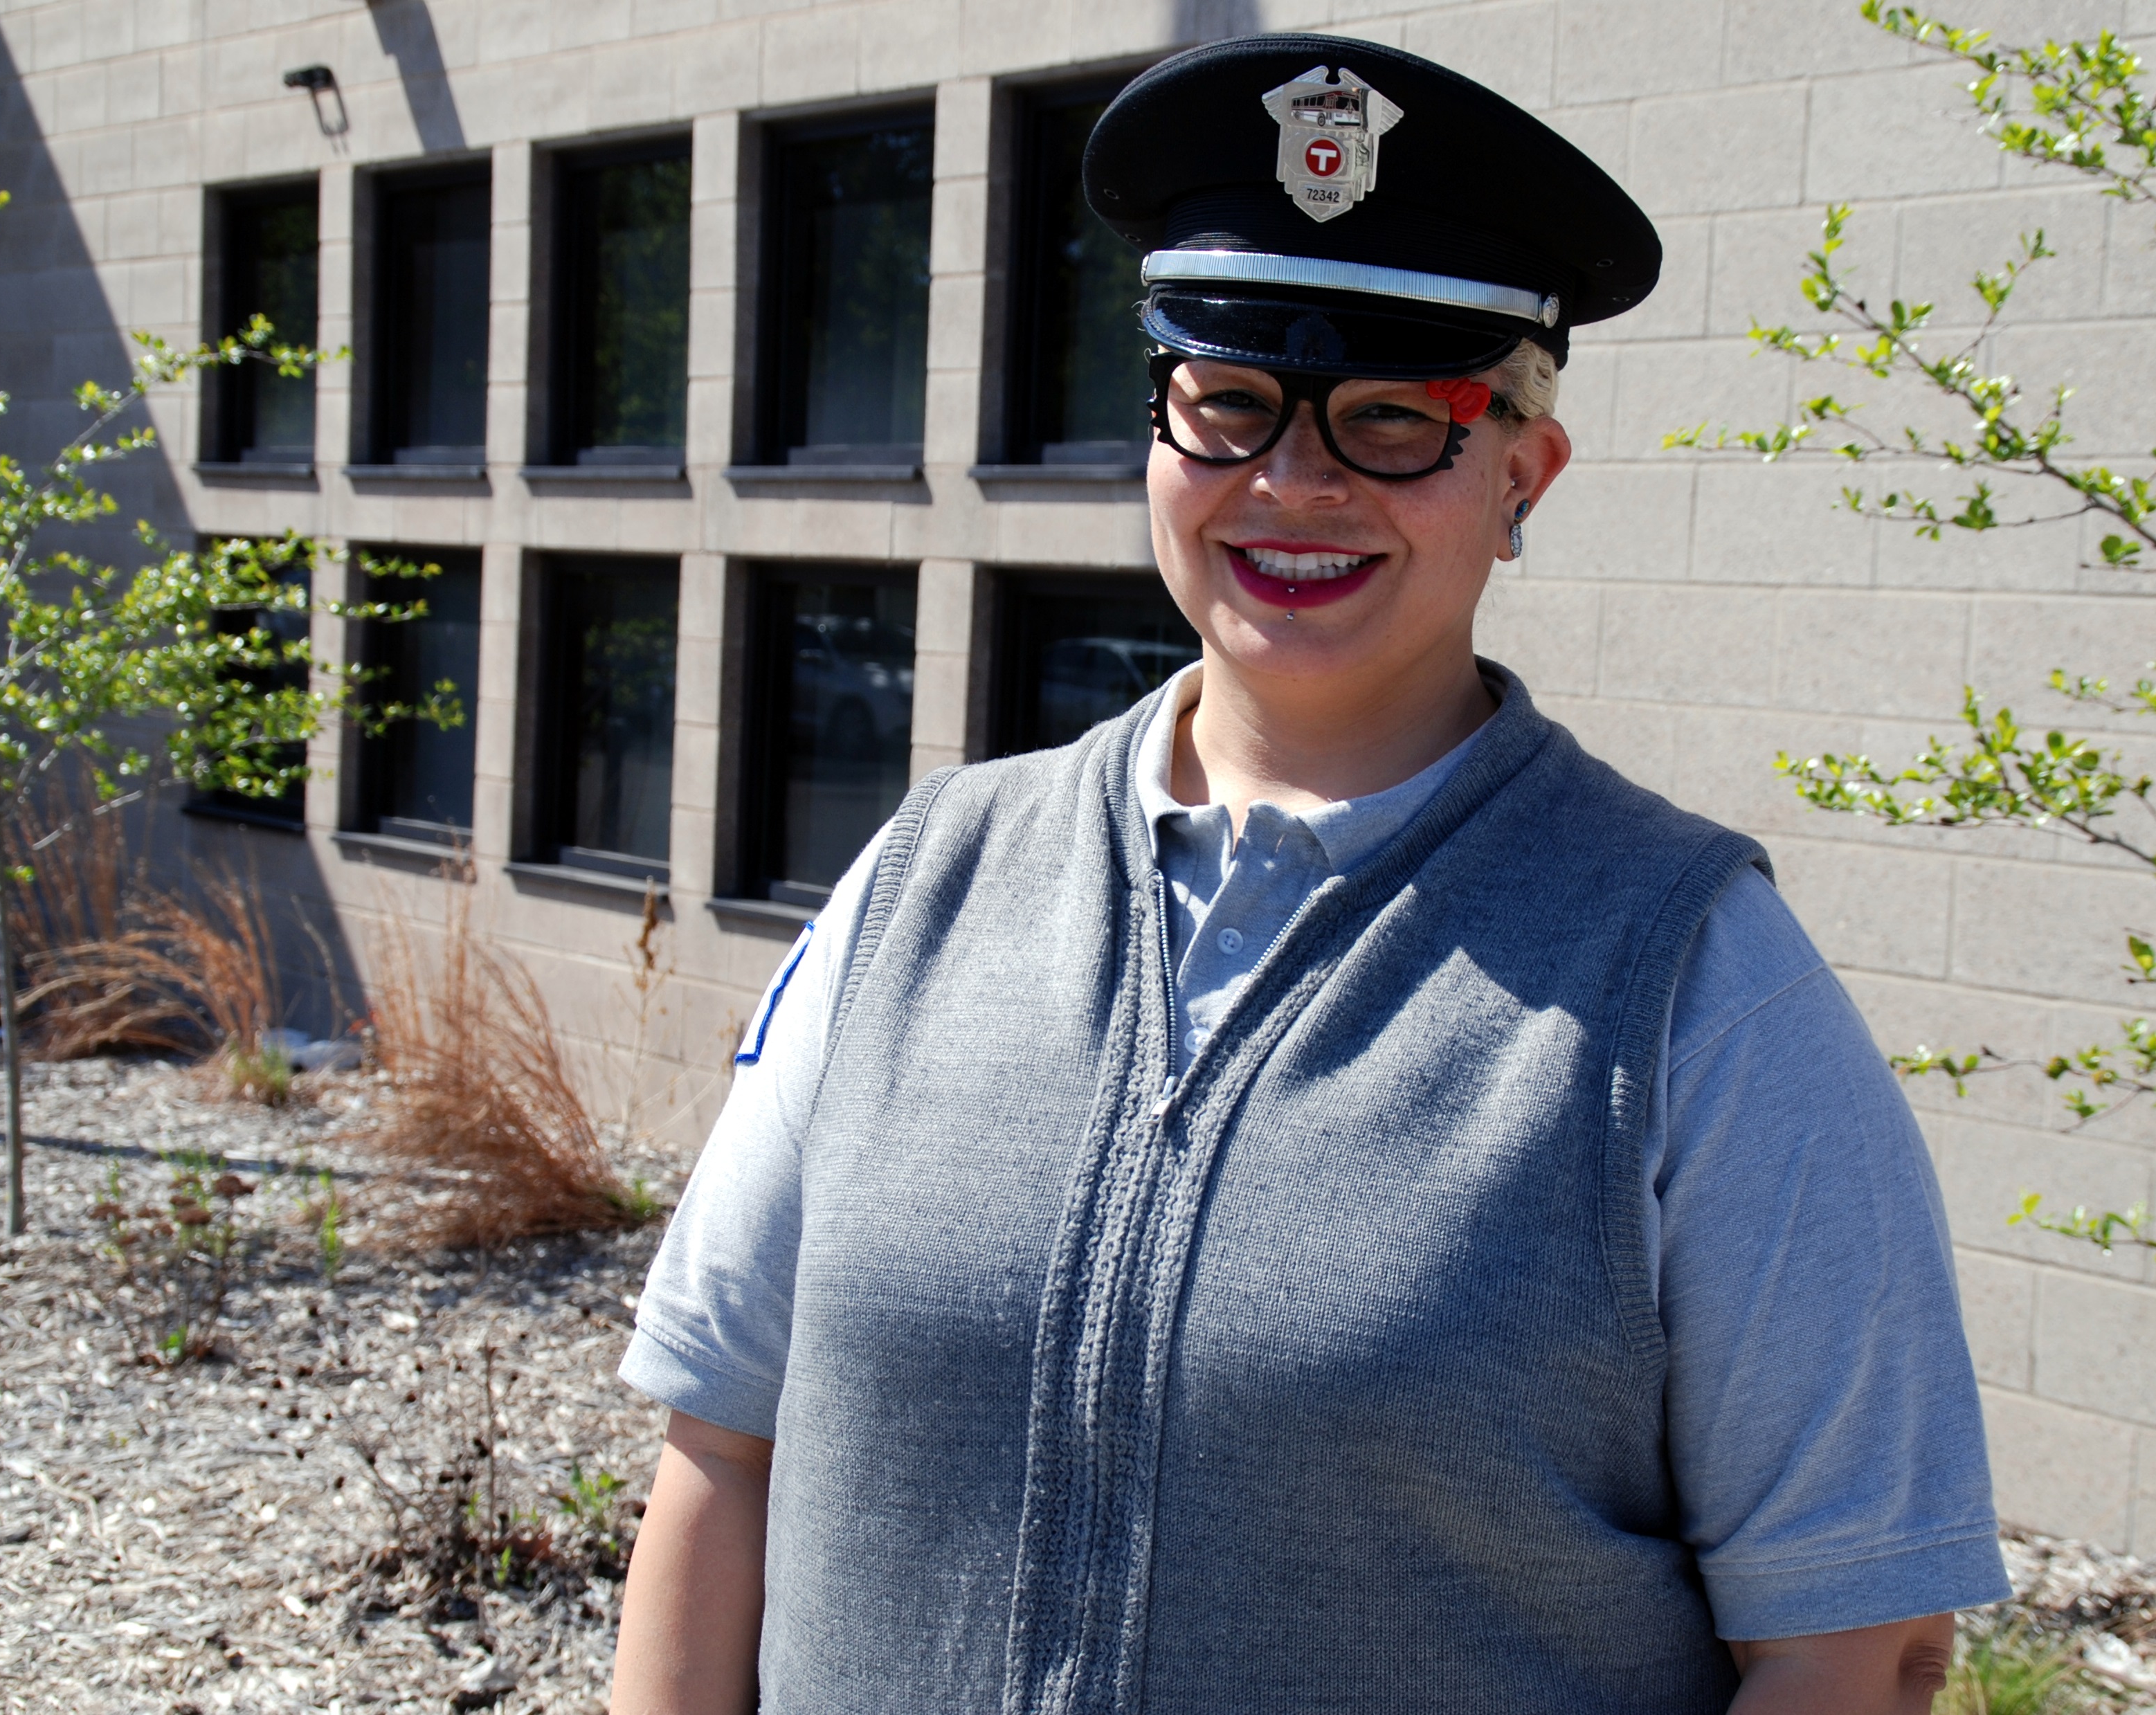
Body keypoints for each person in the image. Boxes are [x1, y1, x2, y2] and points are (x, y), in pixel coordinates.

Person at [610, 35, 2007, 1715]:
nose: (1292, 481)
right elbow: (722, 1455)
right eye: (1228, 402)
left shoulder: (1694, 978)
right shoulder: (923, 883)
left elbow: (1852, 1644)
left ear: (1520, 477)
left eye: (1393, 418)